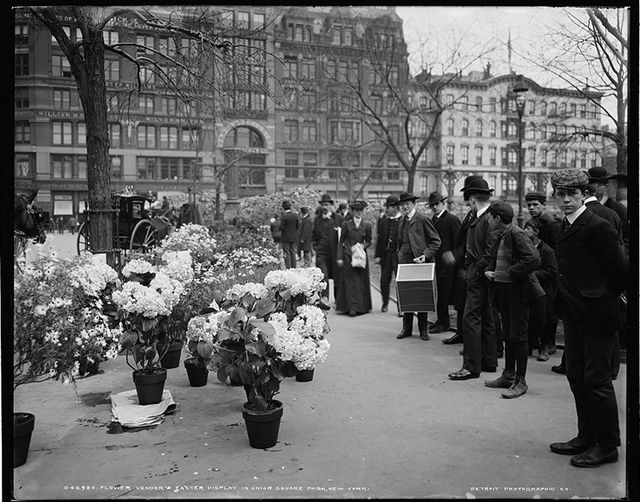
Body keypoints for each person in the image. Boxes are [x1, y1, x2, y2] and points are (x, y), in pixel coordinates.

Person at [548, 167, 627, 468]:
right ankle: (586, 436)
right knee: (576, 376)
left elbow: (620, 272)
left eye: (572, 194)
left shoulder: (597, 226)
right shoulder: (562, 227)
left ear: (584, 194)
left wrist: (600, 296)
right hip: (572, 313)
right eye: (561, 195)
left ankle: (607, 445)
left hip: (596, 314)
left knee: (597, 380)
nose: (566, 200)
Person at [483, 200, 541, 398]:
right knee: (508, 333)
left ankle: (521, 381)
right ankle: (508, 375)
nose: (489, 220)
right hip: (505, 291)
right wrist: (492, 272)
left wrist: (510, 272)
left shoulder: (516, 233)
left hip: (517, 292)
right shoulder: (503, 234)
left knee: (519, 335)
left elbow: (533, 259)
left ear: (497, 218)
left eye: (490, 216)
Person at [448, 177, 499, 380]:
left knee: (470, 319)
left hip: (478, 275)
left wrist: (475, 270)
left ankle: (470, 366)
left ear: (472, 199)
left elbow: (489, 250)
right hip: (483, 275)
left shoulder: (484, 219)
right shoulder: (487, 217)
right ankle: (488, 361)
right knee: (486, 317)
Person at [395, 192, 441, 341]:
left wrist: (426, 255)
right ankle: (406, 329)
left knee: (421, 295)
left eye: (407, 204)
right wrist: (400, 254)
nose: (405, 207)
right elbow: (400, 241)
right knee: (406, 294)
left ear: (413, 204)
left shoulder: (422, 219)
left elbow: (436, 241)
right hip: (405, 263)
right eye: (403, 205)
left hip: (420, 262)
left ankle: (423, 330)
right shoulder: (402, 220)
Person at [443, 175, 483, 346]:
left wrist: (455, 255)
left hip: (472, 267)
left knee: (472, 307)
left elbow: (471, 243)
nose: (467, 199)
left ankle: (471, 339)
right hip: (464, 267)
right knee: (461, 302)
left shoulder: (480, 216)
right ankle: (460, 333)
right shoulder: (471, 214)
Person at [524, 218, 558, 362]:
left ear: (537, 232)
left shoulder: (547, 250)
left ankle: (543, 348)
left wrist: (533, 274)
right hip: (529, 291)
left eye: (528, 229)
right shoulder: (525, 247)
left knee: (543, 320)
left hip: (544, 291)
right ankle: (530, 346)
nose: (525, 231)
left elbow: (552, 271)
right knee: (530, 319)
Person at [428, 191, 461, 334]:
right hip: (437, 263)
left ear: (443, 204)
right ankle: (441, 320)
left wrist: (453, 256)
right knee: (439, 292)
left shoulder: (452, 220)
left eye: (437, 204)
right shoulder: (432, 220)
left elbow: (460, 242)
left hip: (449, 264)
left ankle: (444, 323)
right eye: (432, 205)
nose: (434, 207)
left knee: (445, 293)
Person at [336, 200, 372, 316]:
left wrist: (363, 245)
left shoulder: (367, 225)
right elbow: (341, 241)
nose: (359, 213)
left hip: (360, 258)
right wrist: (339, 257)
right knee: (350, 282)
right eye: (356, 210)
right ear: (352, 211)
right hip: (348, 256)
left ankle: (362, 307)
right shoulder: (346, 224)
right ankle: (351, 307)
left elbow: (369, 241)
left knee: (360, 282)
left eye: (361, 210)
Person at [588, 166, 628, 254]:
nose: (593, 187)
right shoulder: (582, 207)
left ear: (606, 186)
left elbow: (626, 238)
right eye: (591, 184)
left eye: (598, 184)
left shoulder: (618, 209)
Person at [312, 194, 344, 300]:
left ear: (331, 206)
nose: (324, 207)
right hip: (322, 253)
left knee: (337, 277)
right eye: (322, 205)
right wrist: (316, 246)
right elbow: (314, 235)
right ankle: (324, 300)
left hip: (335, 253)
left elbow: (344, 236)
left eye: (326, 204)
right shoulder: (317, 220)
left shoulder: (339, 219)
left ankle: (337, 300)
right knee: (323, 276)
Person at [374, 195, 401, 313]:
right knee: (384, 281)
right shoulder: (384, 222)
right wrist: (378, 255)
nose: (386, 209)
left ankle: (401, 307)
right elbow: (380, 240)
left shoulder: (403, 221)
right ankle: (385, 303)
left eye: (388, 207)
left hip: (398, 256)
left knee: (399, 282)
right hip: (386, 256)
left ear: (395, 208)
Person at [279, 200, 299, 269]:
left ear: (283, 208)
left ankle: (288, 267)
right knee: (292, 251)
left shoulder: (284, 216)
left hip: (285, 237)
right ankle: (294, 266)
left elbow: (281, 227)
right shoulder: (295, 215)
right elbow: (298, 226)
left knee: (286, 252)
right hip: (293, 237)